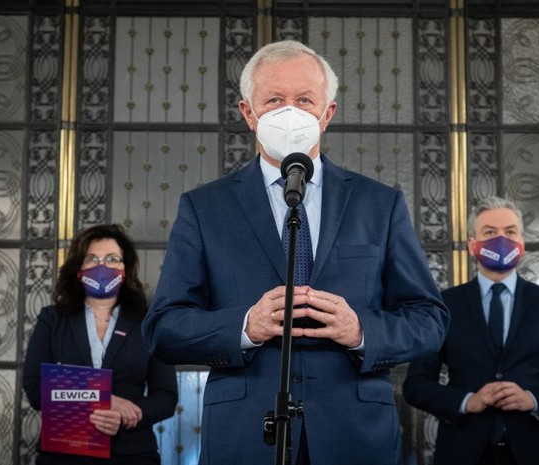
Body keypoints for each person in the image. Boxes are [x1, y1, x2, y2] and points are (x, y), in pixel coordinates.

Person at [141, 40, 449, 465]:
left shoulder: (379, 204)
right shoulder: (204, 207)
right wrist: (245, 326)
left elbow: (429, 320)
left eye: (304, 100)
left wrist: (361, 331)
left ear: (328, 113)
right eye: (274, 100)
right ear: (248, 112)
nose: (290, 112)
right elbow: (163, 327)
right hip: (244, 437)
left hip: (355, 436)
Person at [403, 196, 539, 465]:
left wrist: (533, 400)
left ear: (522, 243)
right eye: (490, 232)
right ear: (472, 244)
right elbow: (416, 385)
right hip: (461, 452)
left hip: (535, 452)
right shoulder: (445, 305)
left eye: (510, 232)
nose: (501, 239)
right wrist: (468, 401)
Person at [23, 224, 178, 465]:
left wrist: (125, 415)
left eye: (112, 259)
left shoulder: (148, 323)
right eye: (92, 259)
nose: (102, 266)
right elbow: (35, 387)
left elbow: (166, 397)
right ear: (79, 269)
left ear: (125, 269)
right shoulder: (52, 319)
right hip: (64, 454)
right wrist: (102, 399)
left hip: (133, 455)